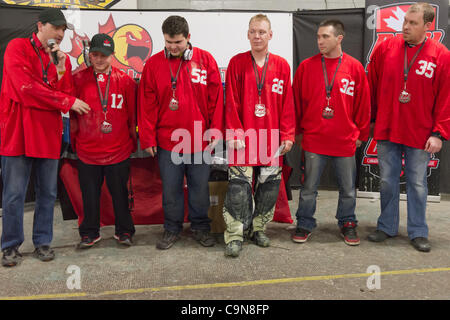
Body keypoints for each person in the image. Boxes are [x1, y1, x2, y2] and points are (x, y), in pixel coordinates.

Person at [0, 8, 90, 267]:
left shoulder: (61, 59)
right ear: (40, 26)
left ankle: (42, 242)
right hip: (17, 133)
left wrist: (61, 69)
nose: (61, 33)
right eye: (56, 28)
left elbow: (65, 96)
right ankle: (10, 246)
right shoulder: (16, 48)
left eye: (64, 29)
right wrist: (64, 99)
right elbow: (24, 89)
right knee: (14, 194)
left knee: (48, 194)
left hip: (47, 134)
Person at [367, 2, 450, 252]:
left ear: (427, 25)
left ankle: (417, 231)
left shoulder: (441, 55)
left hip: (420, 133)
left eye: (412, 23)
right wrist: (370, 120)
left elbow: (446, 97)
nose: (405, 27)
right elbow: (371, 84)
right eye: (405, 21)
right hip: (388, 129)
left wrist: (439, 133)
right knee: (387, 181)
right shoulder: (386, 47)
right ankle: (387, 226)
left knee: (416, 184)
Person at [138, 15, 223, 250]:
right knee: (171, 190)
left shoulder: (206, 61)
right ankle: (172, 228)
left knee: (199, 191)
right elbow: (146, 105)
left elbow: (216, 100)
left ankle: (200, 228)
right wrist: (147, 137)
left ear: (188, 38)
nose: (173, 47)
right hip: (168, 142)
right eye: (168, 42)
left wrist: (215, 130)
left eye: (178, 42)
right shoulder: (154, 65)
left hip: (200, 141)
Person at [291, 19, 371, 246]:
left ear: (339, 38)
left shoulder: (354, 68)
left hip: (345, 141)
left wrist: (361, 135)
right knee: (308, 189)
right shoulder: (306, 66)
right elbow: (295, 102)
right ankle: (305, 223)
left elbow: (364, 105)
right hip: (314, 140)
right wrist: (296, 132)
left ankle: (347, 223)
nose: (320, 41)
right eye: (318, 37)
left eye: (325, 37)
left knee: (348, 189)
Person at [223, 14, 295, 257]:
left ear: (270, 35)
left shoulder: (283, 66)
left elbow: (287, 105)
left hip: (271, 140)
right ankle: (235, 234)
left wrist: (287, 134)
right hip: (241, 140)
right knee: (238, 190)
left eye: (262, 32)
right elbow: (230, 102)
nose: (257, 36)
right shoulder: (236, 63)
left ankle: (258, 228)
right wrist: (234, 132)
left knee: (268, 188)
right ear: (247, 34)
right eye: (253, 31)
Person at [71, 34, 137, 249]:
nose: (99, 60)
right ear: (89, 55)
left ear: (113, 55)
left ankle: (124, 230)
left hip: (118, 149)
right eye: (95, 55)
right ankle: (89, 232)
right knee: (89, 196)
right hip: (88, 150)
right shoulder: (78, 79)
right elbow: (69, 111)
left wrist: (134, 141)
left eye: (104, 56)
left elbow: (133, 115)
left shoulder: (125, 81)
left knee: (120, 194)